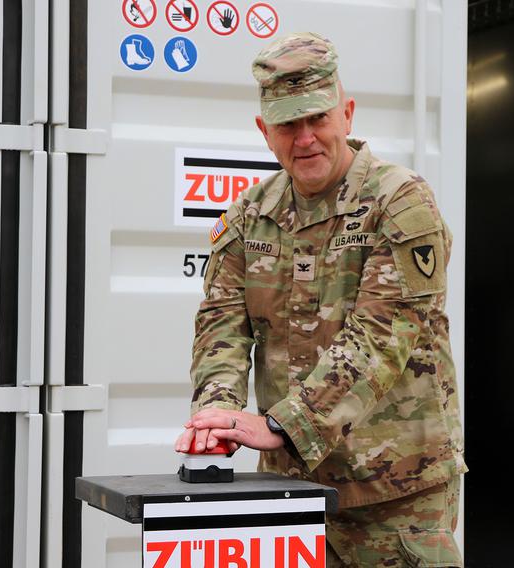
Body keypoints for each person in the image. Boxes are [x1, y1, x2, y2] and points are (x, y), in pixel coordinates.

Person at [175, 31, 466, 567]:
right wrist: (216, 411)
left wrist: (283, 425)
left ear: (347, 114)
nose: (305, 138)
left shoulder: (399, 202)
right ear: (265, 132)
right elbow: (222, 326)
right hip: (291, 493)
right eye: (288, 124)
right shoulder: (249, 216)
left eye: (318, 119)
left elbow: (380, 337)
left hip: (394, 494)